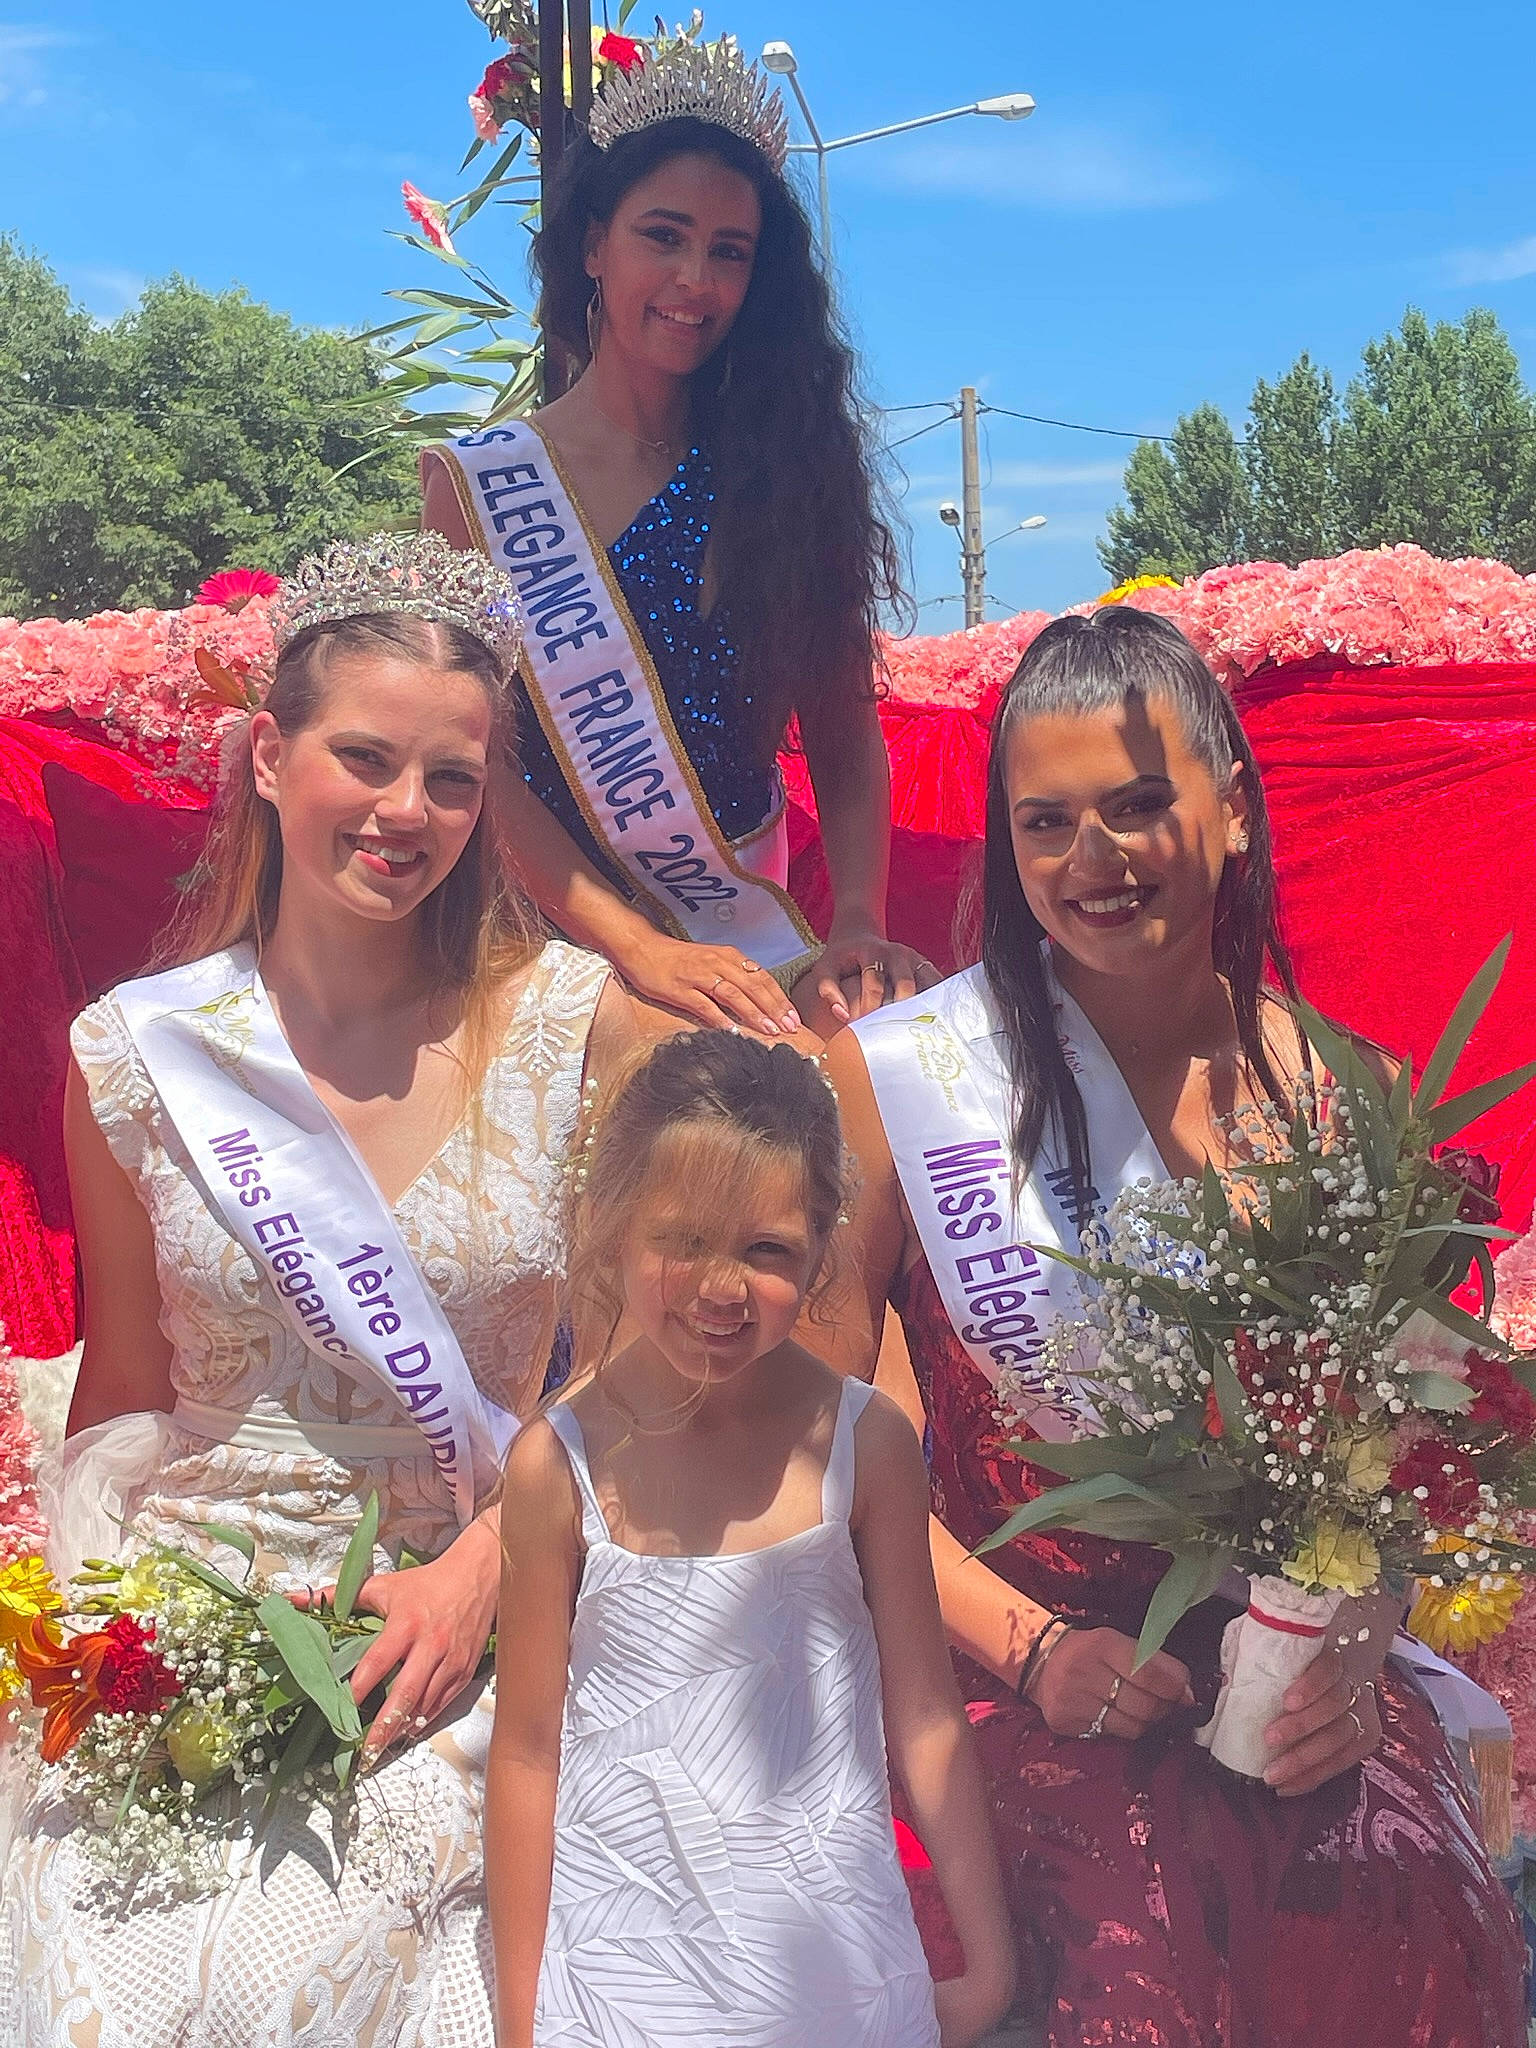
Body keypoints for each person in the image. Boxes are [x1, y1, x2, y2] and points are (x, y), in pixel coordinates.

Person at [1, 533, 684, 2047]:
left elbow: (646, 1368)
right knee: (95, 1977)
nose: (406, 814)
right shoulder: (134, 1056)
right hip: (190, 1609)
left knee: (322, 1963)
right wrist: (84, 1641)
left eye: (452, 780)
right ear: (266, 756)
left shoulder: (580, 1031)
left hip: (463, 1612)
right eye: (363, 759)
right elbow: (123, 1393)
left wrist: (489, 1568)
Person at [824, 605, 1528, 2046]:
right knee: (1130, 1950)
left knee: (1405, 1897)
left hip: (1283, 1669)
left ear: (1232, 813)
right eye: (1047, 824)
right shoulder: (897, 1086)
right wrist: (1030, 1650)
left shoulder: (1351, 1094)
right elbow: (808, 1445)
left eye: (1141, 806)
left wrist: (1353, 1639)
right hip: (1000, 1668)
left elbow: (1409, 1457)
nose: (1096, 863)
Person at [485, 1030, 1015, 2048]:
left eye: (765, 1248)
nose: (719, 1287)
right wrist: (522, 2022)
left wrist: (988, 1965)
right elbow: (526, 1748)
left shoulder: (867, 1442)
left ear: (822, 1242)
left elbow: (925, 1708)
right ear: (614, 1223)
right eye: (681, 1239)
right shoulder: (559, 1465)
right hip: (623, 1985)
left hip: (833, 1975)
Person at [422, 38, 933, 1042]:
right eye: (665, 236)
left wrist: (862, 922)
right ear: (593, 246)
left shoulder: (788, 468)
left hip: (746, 929)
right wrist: (636, 945)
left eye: (729, 251)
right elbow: (469, 751)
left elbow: (839, 721)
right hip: (545, 941)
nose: (694, 279)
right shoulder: (477, 489)